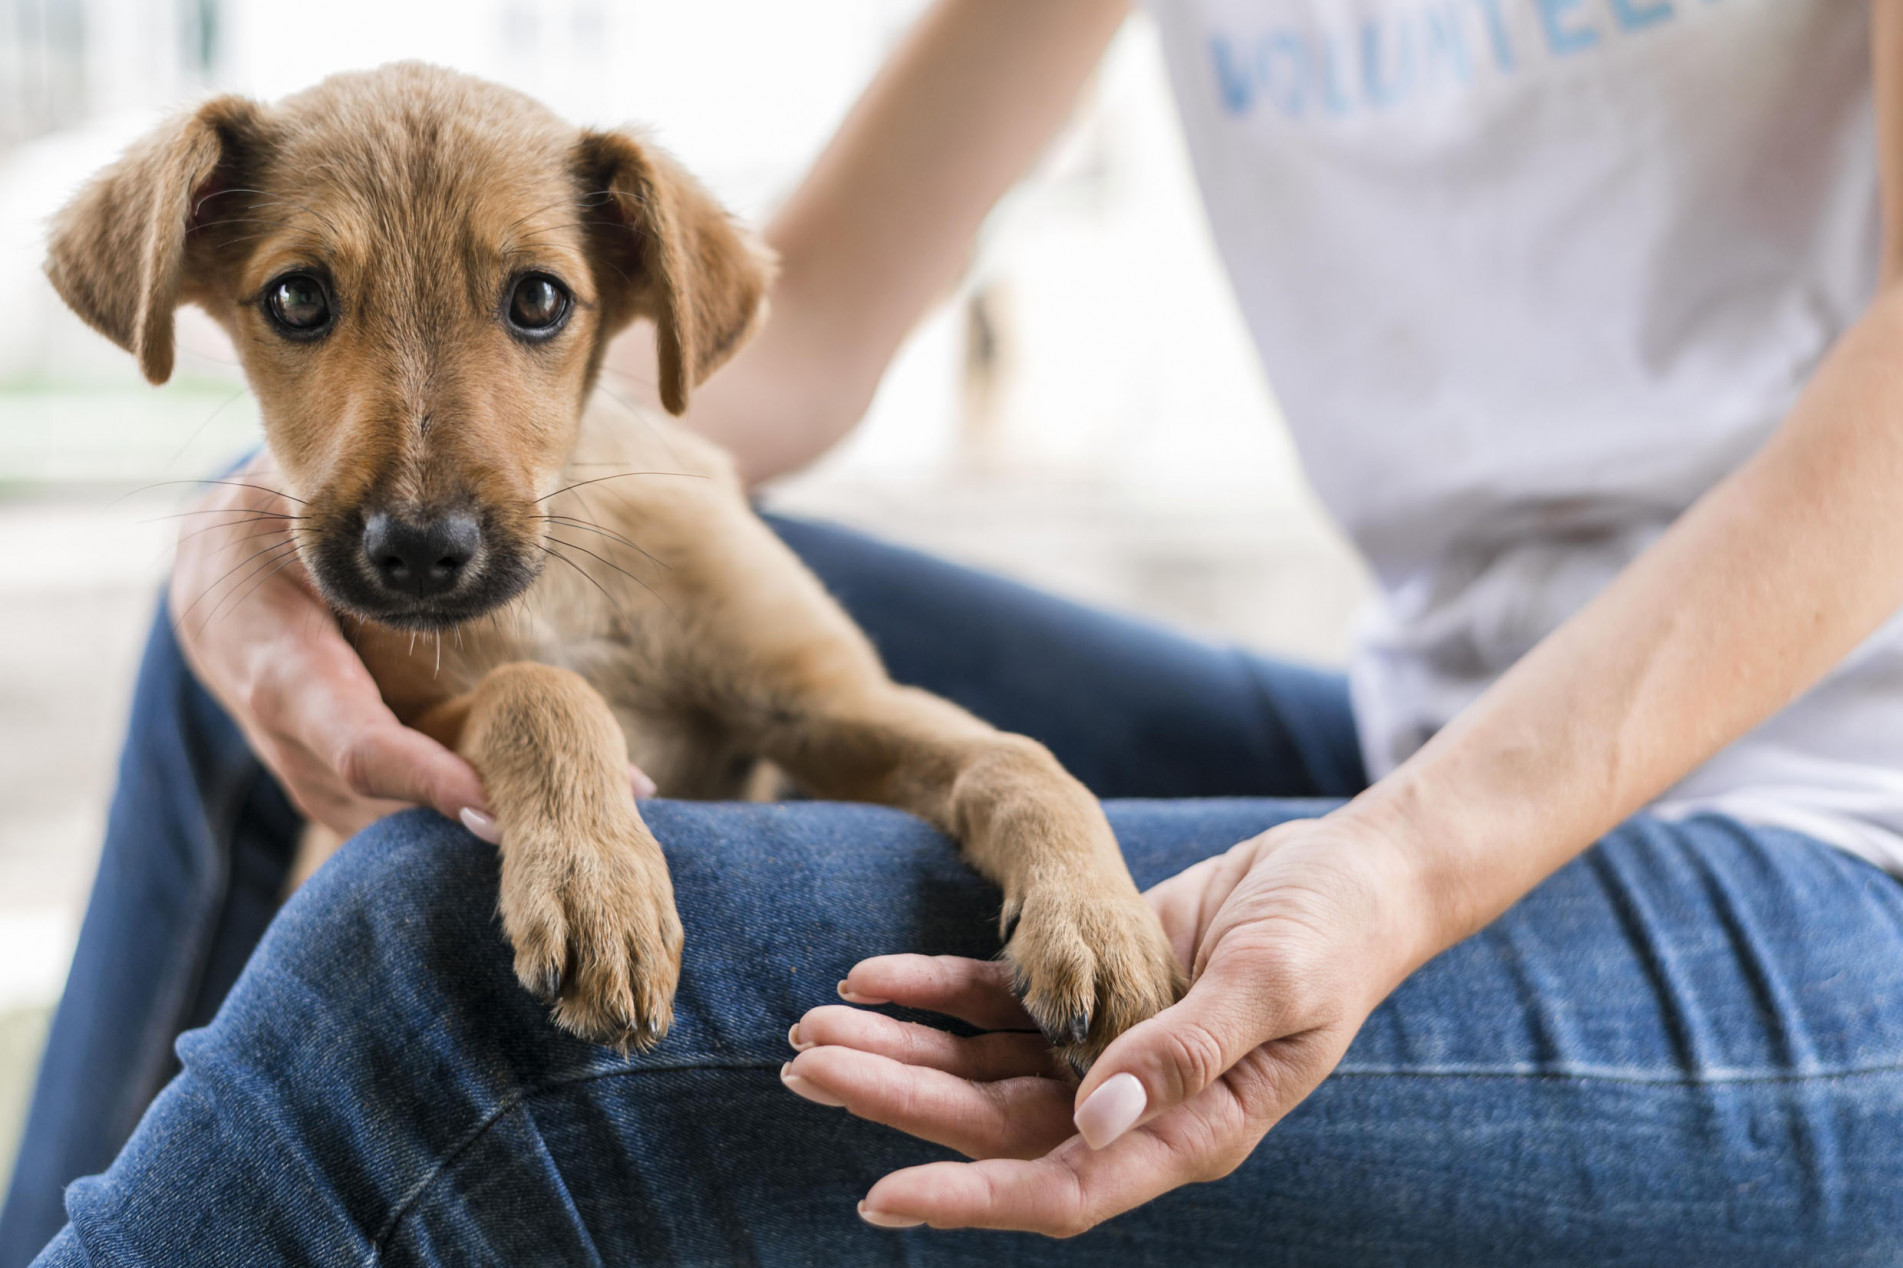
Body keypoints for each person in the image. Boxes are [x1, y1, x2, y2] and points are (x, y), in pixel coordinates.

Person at [8, 0, 1903, 1261]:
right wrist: (257, 523)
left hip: (1841, 856)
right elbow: (794, 323)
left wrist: (1399, 866)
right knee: (256, 653)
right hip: (1415, 718)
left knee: (436, 962)